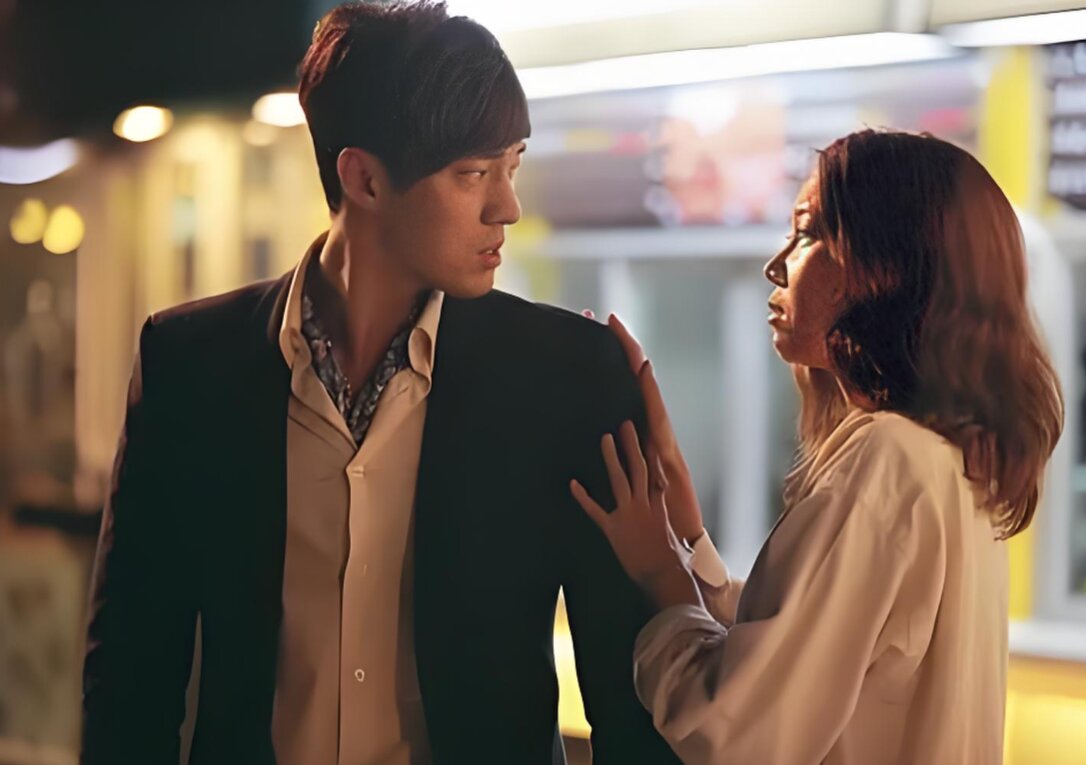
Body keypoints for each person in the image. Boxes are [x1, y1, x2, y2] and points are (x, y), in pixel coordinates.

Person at [81, 3, 679, 764]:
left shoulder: (568, 375)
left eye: (512, 165)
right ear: (363, 177)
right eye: (473, 174)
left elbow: (634, 704)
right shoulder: (191, 366)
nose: (507, 206)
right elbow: (129, 680)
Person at [572, 129, 1064, 765]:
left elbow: (736, 731)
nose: (776, 265)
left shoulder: (888, 461)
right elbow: (811, 647)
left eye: (807, 234)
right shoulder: (949, 461)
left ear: (884, 269)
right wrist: (689, 539)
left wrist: (658, 572)